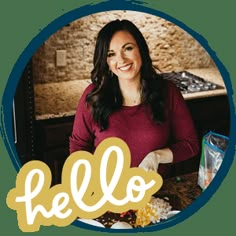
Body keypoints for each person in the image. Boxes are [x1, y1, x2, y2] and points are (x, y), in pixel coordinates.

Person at [69, 19, 200, 178]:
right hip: (106, 195)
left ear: (141, 50)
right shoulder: (93, 97)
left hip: (155, 195)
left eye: (128, 48)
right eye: (111, 54)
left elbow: (190, 144)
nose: (122, 60)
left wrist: (156, 156)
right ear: (106, 61)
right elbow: (78, 150)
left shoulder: (168, 92)